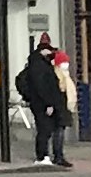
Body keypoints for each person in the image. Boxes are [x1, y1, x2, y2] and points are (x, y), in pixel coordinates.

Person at [17, 38, 73, 169]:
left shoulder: (39, 64)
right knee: (44, 129)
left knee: (46, 129)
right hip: (42, 104)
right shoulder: (39, 66)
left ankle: (47, 156)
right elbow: (43, 87)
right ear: (43, 50)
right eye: (48, 50)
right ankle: (42, 156)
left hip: (43, 103)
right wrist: (49, 104)